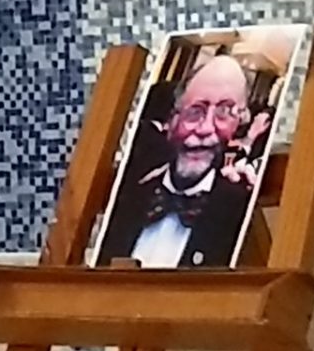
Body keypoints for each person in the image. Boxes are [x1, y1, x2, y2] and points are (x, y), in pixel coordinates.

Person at [96, 55, 262, 267]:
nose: (205, 129)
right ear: (171, 120)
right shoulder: (129, 195)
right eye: (195, 111)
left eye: (224, 112)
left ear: (238, 124)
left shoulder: (239, 213)